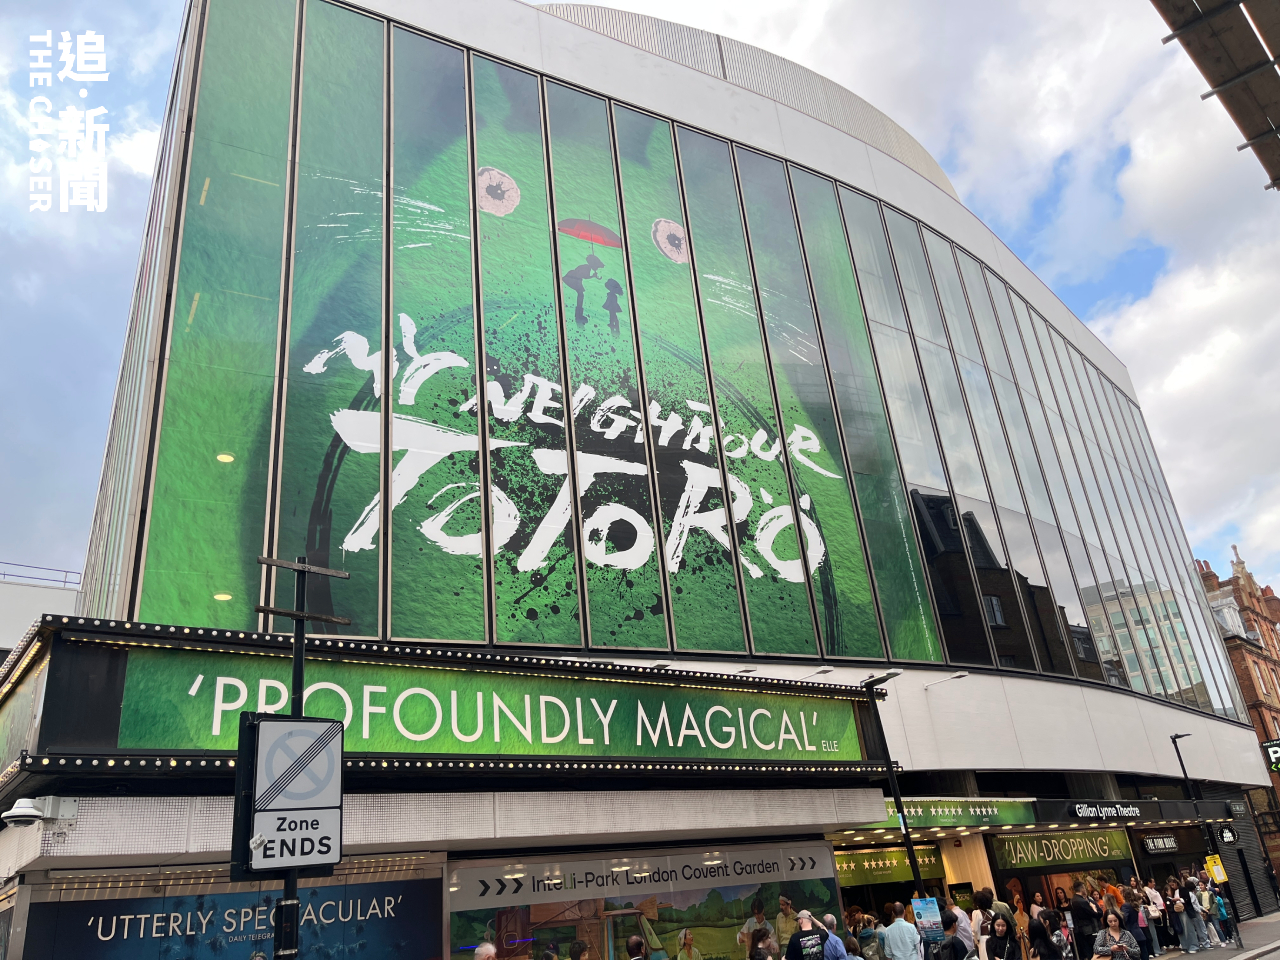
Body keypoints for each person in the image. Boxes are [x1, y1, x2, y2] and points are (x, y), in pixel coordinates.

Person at [1070, 882, 1103, 960]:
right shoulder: (1083, 901)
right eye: (1084, 888)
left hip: (1080, 929)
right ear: (1082, 888)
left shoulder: (1072, 901)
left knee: (1087, 951)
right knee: (1094, 952)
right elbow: (1095, 914)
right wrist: (1094, 908)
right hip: (1090, 929)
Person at [1120, 891, 1149, 960]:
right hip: (1138, 932)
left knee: (1135, 955)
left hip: (1131, 933)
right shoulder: (1134, 905)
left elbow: (1124, 919)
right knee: (1144, 952)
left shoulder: (1126, 906)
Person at [1141, 880, 1165, 957]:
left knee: (1153, 931)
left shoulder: (1145, 891)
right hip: (1142, 914)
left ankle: (1156, 949)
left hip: (1149, 913)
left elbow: (1150, 901)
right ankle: (1153, 950)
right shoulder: (1146, 890)